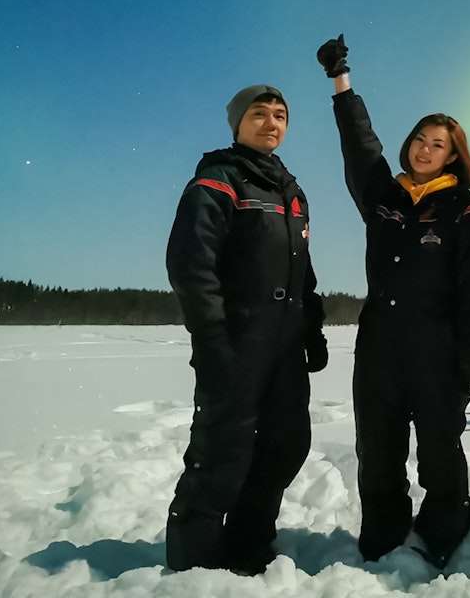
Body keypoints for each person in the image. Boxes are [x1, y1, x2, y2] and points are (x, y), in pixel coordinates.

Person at [316, 35, 470, 567]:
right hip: (379, 348)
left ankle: (445, 527)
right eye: (419, 138)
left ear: (453, 156)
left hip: (436, 349)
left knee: (440, 450)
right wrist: (340, 82)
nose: (423, 148)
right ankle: (384, 537)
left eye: (437, 144)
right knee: (379, 450)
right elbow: (359, 144)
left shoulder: (463, 208)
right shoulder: (383, 196)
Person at [165, 84, 328, 574]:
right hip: (236, 341)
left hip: (283, 348)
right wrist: (212, 339)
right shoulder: (218, 181)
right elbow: (192, 265)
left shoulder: (291, 191)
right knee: (221, 451)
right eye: (259, 114)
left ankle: (249, 541)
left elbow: (305, 270)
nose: (271, 123)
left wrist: (312, 328)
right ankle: (192, 564)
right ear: (237, 123)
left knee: (287, 443)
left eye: (280, 115)